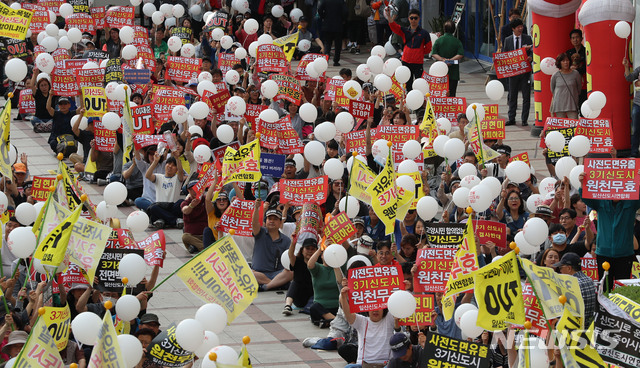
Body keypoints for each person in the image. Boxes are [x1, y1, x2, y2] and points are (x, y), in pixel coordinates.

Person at [579, 172, 640, 289]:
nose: (616, 190)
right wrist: (582, 183)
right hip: (603, 253)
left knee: (621, 290)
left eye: (619, 187)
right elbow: (587, 198)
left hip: (624, 254)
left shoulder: (631, 203)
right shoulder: (601, 202)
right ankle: (603, 308)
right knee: (605, 288)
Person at [339, 285, 396, 367]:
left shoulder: (389, 319)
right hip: (363, 364)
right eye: (372, 306)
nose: (375, 310)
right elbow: (348, 313)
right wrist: (344, 297)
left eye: (378, 307)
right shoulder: (362, 321)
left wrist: (405, 289)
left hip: (385, 364)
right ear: (367, 308)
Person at [251, 202, 293, 291]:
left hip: (277, 273)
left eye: (275, 219)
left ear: (281, 222)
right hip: (258, 273)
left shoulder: (286, 240)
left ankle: (267, 286)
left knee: (291, 273)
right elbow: (254, 223)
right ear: (265, 221)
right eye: (269, 219)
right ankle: (276, 284)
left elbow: (289, 262)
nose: (272, 221)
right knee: (249, 273)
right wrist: (256, 208)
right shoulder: (260, 232)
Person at [386, 8, 432, 88]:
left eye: (415, 18)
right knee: (407, 85)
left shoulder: (424, 33)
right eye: (411, 18)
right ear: (408, 19)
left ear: (419, 19)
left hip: (418, 63)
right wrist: (389, 16)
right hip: (406, 62)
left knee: (419, 85)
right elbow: (394, 27)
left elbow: (428, 48)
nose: (413, 20)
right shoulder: (404, 30)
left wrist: (419, 52)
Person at [502, 19, 533, 127]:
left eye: (521, 26)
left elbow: (534, 51)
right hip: (513, 73)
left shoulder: (527, 38)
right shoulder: (508, 40)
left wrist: (530, 58)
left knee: (526, 96)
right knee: (512, 96)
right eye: (518, 27)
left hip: (525, 72)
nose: (521, 29)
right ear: (513, 29)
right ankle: (511, 118)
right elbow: (504, 54)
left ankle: (524, 119)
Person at [144, 151, 185, 229]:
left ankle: (162, 220)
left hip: (173, 206)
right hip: (161, 206)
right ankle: (175, 220)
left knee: (181, 203)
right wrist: (155, 161)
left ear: (176, 169)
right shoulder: (159, 177)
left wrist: (177, 158)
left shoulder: (177, 178)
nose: (170, 166)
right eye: (168, 164)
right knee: (153, 208)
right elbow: (148, 175)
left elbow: (181, 172)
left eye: (173, 165)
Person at [554, 252, 596, 325]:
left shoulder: (572, 286)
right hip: (590, 327)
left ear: (569, 268)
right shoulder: (590, 280)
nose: (560, 271)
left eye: (561, 268)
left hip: (575, 328)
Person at [307, 245, 340, 327]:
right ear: (322, 256)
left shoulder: (338, 268)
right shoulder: (318, 268)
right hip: (321, 307)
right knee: (314, 308)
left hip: (337, 306)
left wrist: (335, 263)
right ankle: (337, 321)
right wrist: (320, 249)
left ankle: (330, 321)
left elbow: (339, 281)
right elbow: (310, 265)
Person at [283, 237, 317, 316]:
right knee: (295, 282)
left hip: (315, 295)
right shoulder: (297, 261)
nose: (310, 251)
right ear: (302, 250)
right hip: (300, 297)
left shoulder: (320, 262)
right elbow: (290, 254)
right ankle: (288, 305)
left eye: (312, 249)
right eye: (307, 248)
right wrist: (293, 242)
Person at [431, 20, 464, 97]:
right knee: (452, 94)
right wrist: (451, 60)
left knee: (440, 93)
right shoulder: (457, 41)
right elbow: (460, 54)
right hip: (453, 72)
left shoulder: (438, 40)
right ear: (453, 30)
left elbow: (433, 53)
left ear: (444, 29)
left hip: (440, 71)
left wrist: (443, 60)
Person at [550, 53, 581, 118]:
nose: (566, 62)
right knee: (561, 126)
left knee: (574, 125)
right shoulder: (555, 75)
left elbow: (579, 88)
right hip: (559, 105)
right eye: (563, 61)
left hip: (572, 104)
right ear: (559, 63)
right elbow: (553, 89)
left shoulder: (575, 73)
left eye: (567, 60)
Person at [180, 179, 207, 254]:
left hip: (204, 235)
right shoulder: (186, 202)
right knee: (185, 237)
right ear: (189, 190)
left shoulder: (205, 200)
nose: (195, 191)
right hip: (192, 236)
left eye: (197, 188)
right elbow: (185, 210)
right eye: (192, 189)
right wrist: (191, 206)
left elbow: (214, 194)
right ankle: (205, 248)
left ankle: (196, 247)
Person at [318, 0, 347, 67]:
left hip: (327, 24)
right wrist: (343, 19)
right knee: (338, 44)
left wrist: (323, 16)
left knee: (327, 43)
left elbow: (319, 9)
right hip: (338, 25)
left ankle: (326, 57)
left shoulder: (325, 1)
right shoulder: (341, 1)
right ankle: (336, 60)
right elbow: (345, 11)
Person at [623, 57, 640, 157]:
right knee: (635, 129)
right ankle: (634, 153)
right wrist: (626, 66)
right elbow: (629, 78)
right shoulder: (639, 69)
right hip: (637, 104)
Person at [565, 29, 587, 106]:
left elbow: (587, 68)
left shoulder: (586, 51)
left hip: (584, 84)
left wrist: (576, 70)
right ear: (570, 40)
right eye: (573, 38)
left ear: (581, 38)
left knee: (583, 105)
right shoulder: (568, 53)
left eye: (577, 37)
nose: (575, 40)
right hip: (571, 84)